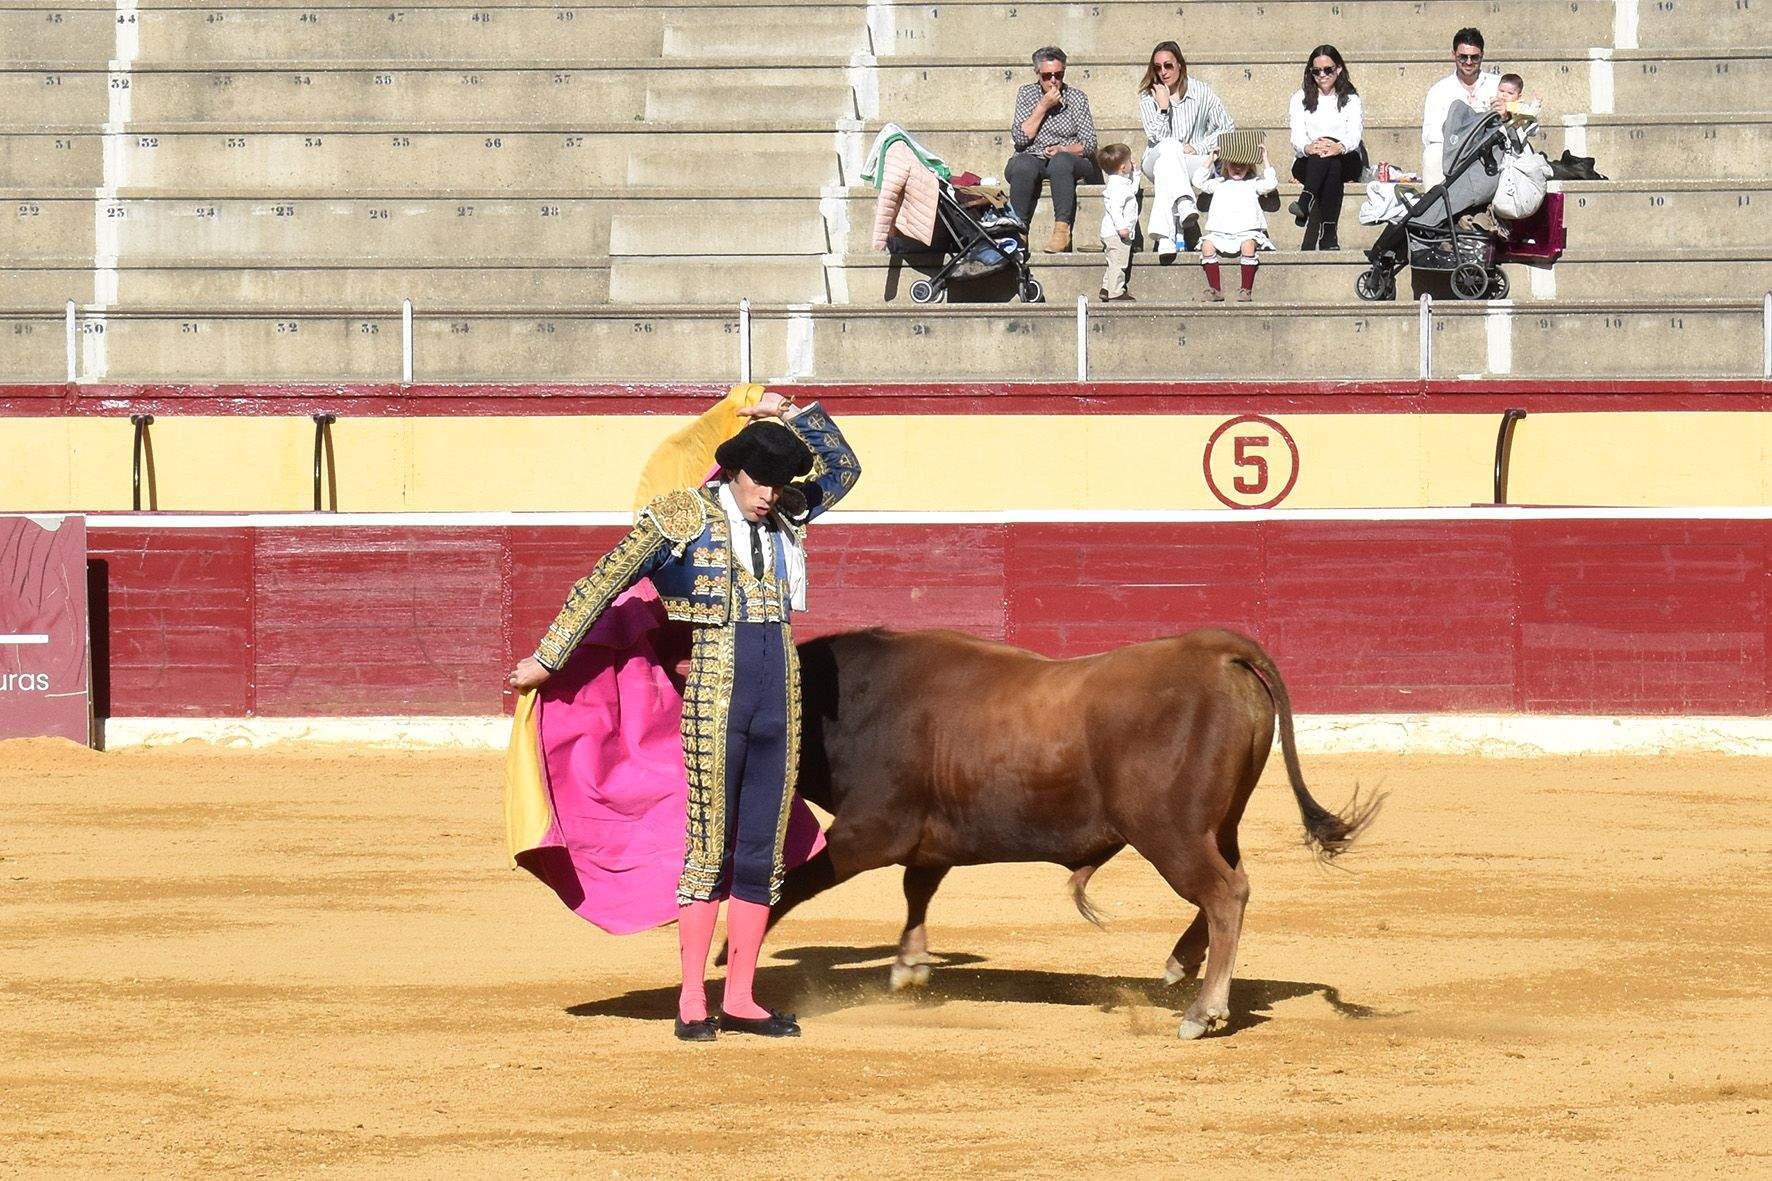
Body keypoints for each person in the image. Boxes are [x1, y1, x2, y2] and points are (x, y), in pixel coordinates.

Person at [507, 391, 861, 1042]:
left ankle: (743, 998)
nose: (770, 497)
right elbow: (604, 579)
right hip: (715, 699)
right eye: (761, 484)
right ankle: (694, 999)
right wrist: (549, 657)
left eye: (780, 485)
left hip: (780, 699)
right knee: (708, 849)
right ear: (734, 471)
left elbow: (843, 468)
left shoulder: (786, 511)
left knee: (760, 852)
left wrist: (790, 414)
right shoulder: (682, 516)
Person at [1138, 41, 1234, 261]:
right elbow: (1157, 137)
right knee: (1170, 146)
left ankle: (1164, 238)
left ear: (1180, 65)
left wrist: (1198, 147)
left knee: (1169, 166)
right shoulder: (1148, 96)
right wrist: (1163, 107)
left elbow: (1227, 127)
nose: (1163, 72)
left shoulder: (1201, 91)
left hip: (1193, 160)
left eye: (1168, 65)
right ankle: (1184, 202)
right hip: (1155, 158)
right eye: (1157, 67)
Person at [1006, 46, 1101, 252]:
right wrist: (1043, 106)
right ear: (1037, 74)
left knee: (1061, 162)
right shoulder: (1026, 94)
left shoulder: (1076, 97)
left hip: (1068, 159)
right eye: (1047, 76)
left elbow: (1089, 143)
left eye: (1058, 75)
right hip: (1032, 155)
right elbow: (1020, 139)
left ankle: (1061, 231)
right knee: (1023, 164)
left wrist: (1063, 149)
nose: (1053, 81)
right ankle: (1018, 232)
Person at [1287, 44, 1364, 251]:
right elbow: (1297, 136)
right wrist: (1309, 147)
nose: (1322, 75)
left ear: (1338, 69)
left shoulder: (1351, 99)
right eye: (1316, 71)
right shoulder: (1299, 98)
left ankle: (1306, 200)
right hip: (1309, 160)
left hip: (1345, 157)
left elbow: (1354, 135)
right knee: (1329, 164)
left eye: (1328, 70)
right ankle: (1328, 234)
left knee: (1333, 160)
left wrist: (1338, 147)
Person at [1196, 142, 1278, 302]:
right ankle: (1215, 289)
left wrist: (1265, 159)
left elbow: (1271, 184)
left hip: (1246, 232)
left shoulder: (1253, 183)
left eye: (1243, 165)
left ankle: (1246, 289)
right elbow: (1198, 181)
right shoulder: (1219, 183)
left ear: (1249, 167)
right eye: (1233, 164)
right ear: (1226, 165)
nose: (1238, 168)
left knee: (1248, 246)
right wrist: (1210, 159)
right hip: (1220, 233)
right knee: (1207, 246)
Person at [1421, 27, 1500, 185]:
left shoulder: (1498, 85)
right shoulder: (1439, 90)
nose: (1469, 62)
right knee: (1432, 155)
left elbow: (1523, 121)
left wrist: (1506, 114)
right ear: (1453, 55)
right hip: (1453, 155)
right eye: (1463, 57)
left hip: (1491, 153)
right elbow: (1431, 136)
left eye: (1474, 57)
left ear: (1482, 55)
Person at [1096, 143, 1139, 301]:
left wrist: (1137, 173)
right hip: (1117, 234)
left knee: (1112, 262)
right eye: (1129, 161)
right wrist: (1122, 228)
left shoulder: (1119, 183)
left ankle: (1106, 288)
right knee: (1119, 263)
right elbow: (1115, 209)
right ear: (1123, 167)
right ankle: (1116, 292)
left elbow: (1132, 190)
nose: (1131, 163)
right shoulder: (1117, 187)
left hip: (1111, 233)